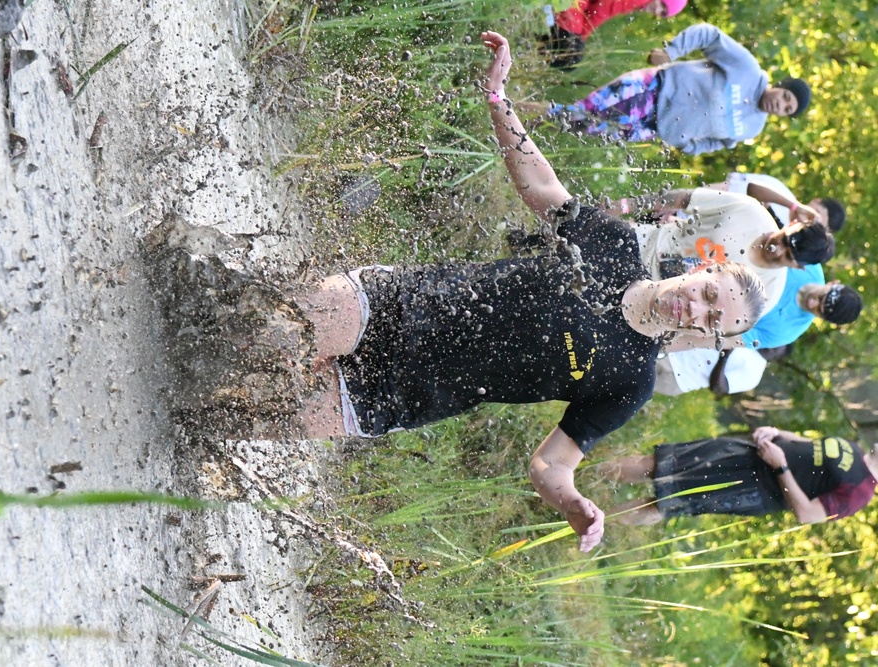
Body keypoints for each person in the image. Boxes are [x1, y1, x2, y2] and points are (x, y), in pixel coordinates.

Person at [292, 31, 767, 553]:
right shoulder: (615, 244)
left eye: (711, 318)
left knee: (245, 408)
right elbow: (541, 188)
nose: (696, 307)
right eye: (707, 293)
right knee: (262, 330)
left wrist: (570, 503)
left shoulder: (630, 382)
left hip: (406, 392)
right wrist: (500, 101)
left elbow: (551, 464)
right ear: (703, 268)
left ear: (705, 334)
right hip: (399, 303)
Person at [539, 23, 812, 154]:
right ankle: (512, 110)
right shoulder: (748, 69)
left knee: (578, 127)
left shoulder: (754, 127)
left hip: (654, 128)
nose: (781, 105)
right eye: (786, 97)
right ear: (780, 85)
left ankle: (521, 128)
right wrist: (673, 52)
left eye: (787, 110)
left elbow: (719, 143)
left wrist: (685, 144)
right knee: (577, 113)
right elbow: (710, 35)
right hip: (654, 91)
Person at [601, 426, 878, 525]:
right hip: (748, 452)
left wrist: (780, 467)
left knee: (666, 502)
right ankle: (580, 474)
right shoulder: (855, 448)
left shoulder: (861, 492)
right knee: (659, 464)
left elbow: (807, 514)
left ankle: (593, 521)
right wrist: (777, 433)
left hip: (751, 487)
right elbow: (807, 444)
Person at [617, 187, 834, 313]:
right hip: (640, 242)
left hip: (651, 298)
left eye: (787, 256)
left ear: (798, 267)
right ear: (791, 225)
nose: (776, 251)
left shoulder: (766, 292)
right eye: (784, 241)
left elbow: (716, 327)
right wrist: (624, 206)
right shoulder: (749, 211)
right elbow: (684, 198)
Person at [731, 267, 862, 350]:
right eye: (821, 297)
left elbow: (728, 339)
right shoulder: (807, 262)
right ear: (833, 283)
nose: (812, 303)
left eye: (818, 311)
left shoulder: (785, 332)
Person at [537, 0, 689, 69]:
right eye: (662, 4)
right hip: (572, 4)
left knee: (570, 51)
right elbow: (602, 9)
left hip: (578, 6)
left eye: (663, 13)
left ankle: (534, 43)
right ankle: (533, 46)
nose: (657, 11)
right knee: (571, 57)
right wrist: (582, 35)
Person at [708, 172, 846, 231]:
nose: (809, 220)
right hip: (706, 206)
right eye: (815, 213)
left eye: (816, 224)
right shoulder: (778, 190)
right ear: (816, 201)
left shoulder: (785, 238)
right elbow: (731, 186)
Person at [652, 345, 790, 396]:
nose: (773, 348)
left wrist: (724, 357)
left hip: (677, 378)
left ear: (777, 357)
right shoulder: (751, 337)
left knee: (631, 381)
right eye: (777, 344)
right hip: (670, 351)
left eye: (777, 350)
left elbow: (719, 388)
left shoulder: (754, 373)